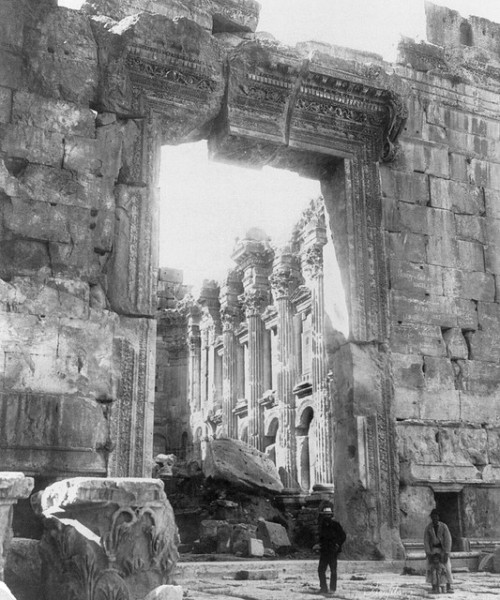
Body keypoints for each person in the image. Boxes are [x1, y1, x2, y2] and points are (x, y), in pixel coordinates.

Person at [316, 506, 346, 595]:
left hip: (333, 551)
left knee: (333, 571)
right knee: (321, 570)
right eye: (325, 515)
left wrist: (338, 544)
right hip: (324, 551)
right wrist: (319, 545)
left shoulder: (336, 525)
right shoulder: (322, 526)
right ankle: (323, 588)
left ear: (331, 515)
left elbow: (343, 536)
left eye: (328, 515)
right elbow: (321, 538)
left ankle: (332, 589)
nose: (327, 517)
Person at [424, 509, 454, 594]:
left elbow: (448, 539)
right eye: (433, 516)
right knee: (430, 567)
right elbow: (426, 540)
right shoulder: (428, 528)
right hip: (433, 549)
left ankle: (449, 585)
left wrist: (447, 552)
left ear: (438, 517)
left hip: (442, 549)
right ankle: (434, 586)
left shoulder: (444, 526)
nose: (435, 518)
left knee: (447, 567)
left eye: (436, 516)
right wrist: (428, 553)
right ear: (431, 517)